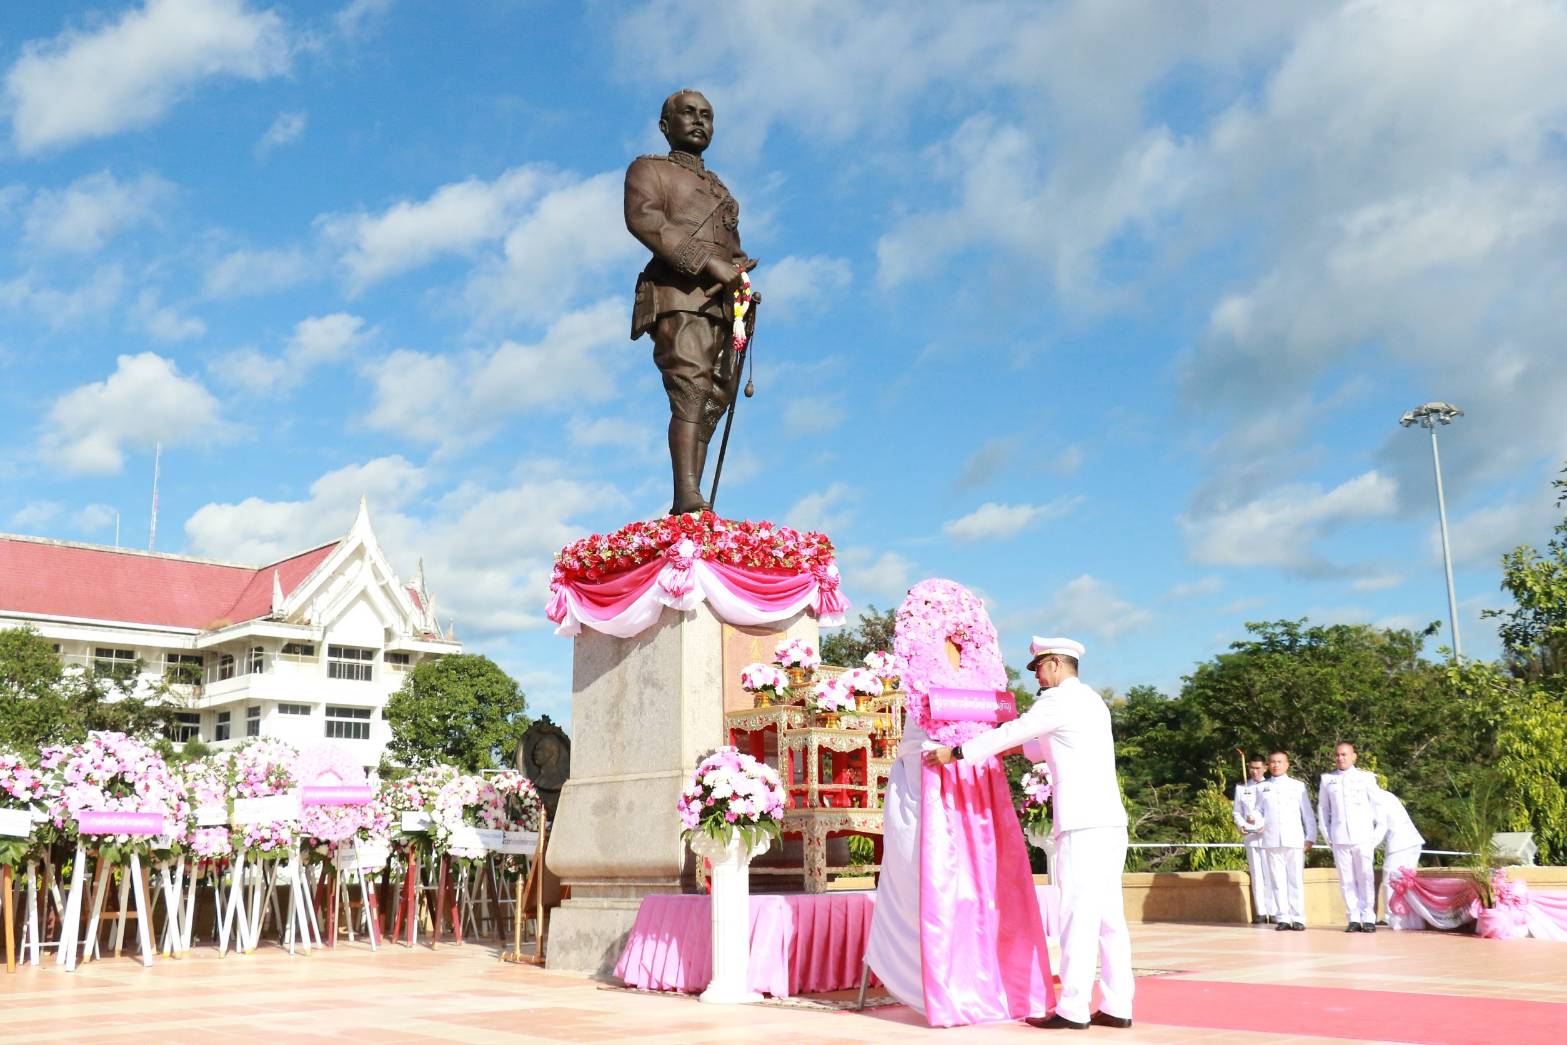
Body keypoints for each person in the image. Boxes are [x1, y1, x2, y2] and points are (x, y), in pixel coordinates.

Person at [927, 637, 1133, 1031]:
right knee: (1110, 919)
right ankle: (1118, 1004)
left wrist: (954, 753)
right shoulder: (1091, 700)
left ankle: (1073, 1008)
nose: (1037, 675)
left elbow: (1015, 732)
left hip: (1083, 824)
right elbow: (1038, 746)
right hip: (1109, 822)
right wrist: (1005, 750)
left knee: (1077, 914)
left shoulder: (1056, 701)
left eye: (1039, 667)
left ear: (1055, 663)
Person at [624, 89, 757, 515]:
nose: (699, 121)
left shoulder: (719, 187)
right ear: (666, 126)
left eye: (707, 116)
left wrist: (740, 277)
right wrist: (706, 263)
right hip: (679, 295)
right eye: (689, 113)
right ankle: (687, 496)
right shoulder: (649, 170)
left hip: (722, 304)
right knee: (690, 390)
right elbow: (644, 219)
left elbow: (731, 247)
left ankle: (694, 499)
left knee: (716, 397)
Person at [1318, 741, 1383, 933]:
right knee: (1346, 880)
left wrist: (1375, 838)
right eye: (1337, 755)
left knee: (1366, 877)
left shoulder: (1367, 778)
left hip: (1363, 837)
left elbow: (1378, 808)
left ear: (1353, 756)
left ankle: (1368, 917)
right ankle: (1353, 918)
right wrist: (1327, 835)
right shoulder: (1327, 780)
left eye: (1344, 754)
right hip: (1339, 837)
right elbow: (1323, 809)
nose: (1340, 758)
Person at [1256, 751, 1314, 931]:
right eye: (1272, 762)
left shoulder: (1297, 786)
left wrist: (1310, 836)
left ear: (1287, 764)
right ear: (1268, 765)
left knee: (1295, 880)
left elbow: (1307, 813)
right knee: (1277, 881)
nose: (1275, 765)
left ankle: (1298, 918)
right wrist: (1254, 819)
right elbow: (1259, 812)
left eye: (1279, 762)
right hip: (1272, 840)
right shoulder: (1261, 787)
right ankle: (1283, 917)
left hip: (1294, 839)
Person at [1375, 786, 1425, 930]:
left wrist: (1370, 845)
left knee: (1390, 880)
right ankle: (1406, 918)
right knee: (1406, 882)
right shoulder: (1386, 795)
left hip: (1400, 843)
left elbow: (1381, 826)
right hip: (1412, 841)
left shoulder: (1376, 799)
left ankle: (1390, 917)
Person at [1232, 757, 1275, 924]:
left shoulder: (1271, 786)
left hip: (1267, 835)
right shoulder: (1242, 788)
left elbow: (1273, 811)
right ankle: (1261, 911)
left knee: (1270, 874)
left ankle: (1274, 910)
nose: (1254, 771)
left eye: (1257, 768)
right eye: (1251, 768)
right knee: (1257, 875)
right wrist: (1242, 824)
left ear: (1265, 768)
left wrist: (1265, 825)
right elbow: (1237, 811)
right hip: (1250, 836)